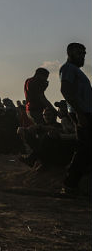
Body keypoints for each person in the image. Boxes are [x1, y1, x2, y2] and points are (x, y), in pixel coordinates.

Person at [59, 43, 92, 194]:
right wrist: (79, 113)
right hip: (81, 113)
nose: (83, 55)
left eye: (84, 53)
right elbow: (65, 90)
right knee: (84, 149)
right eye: (80, 53)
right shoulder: (68, 69)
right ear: (70, 52)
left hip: (85, 112)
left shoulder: (77, 72)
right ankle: (69, 185)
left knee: (86, 148)